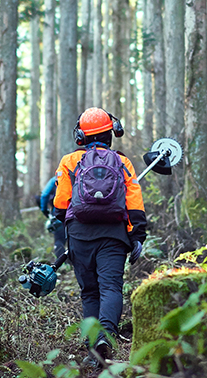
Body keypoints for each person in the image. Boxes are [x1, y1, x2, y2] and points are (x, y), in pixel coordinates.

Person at [53, 107, 146, 367]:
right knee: (111, 287)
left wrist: (68, 223)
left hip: (80, 235)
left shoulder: (69, 161)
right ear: (111, 133)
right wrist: (138, 235)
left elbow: (60, 205)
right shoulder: (123, 162)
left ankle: (92, 345)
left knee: (90, 293)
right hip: (114, 236)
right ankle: (106, 336)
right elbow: (134, 201)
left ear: (81, 136)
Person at [38, 176, 67, 259]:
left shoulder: (56, 179)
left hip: (59, 213)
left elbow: (44, 195)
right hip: (76, 212)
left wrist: (45, 210)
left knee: (59, 240)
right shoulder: (79, 175)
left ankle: (62, 264)